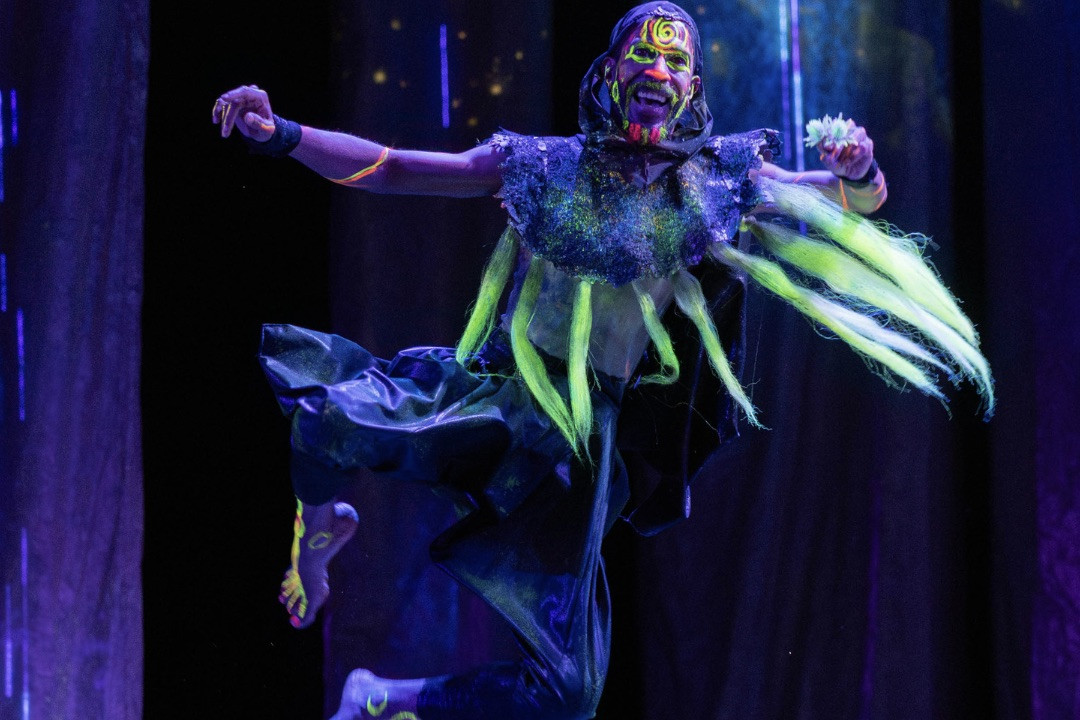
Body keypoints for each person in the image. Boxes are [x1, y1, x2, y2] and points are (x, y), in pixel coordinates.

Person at [213, 3, 991, 718]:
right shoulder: (547, 165)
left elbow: (852, 203)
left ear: (691, 89)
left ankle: (383, 700)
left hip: (583, 449)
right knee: (321, 420)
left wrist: (858, 169)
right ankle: (317, 538)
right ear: (608, 74)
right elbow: (396, 166)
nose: (655, 75)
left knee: (568, 695)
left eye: (673, 66)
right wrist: (282, 133)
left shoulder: (717, 180)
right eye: (639, 60)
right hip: (504, 399)